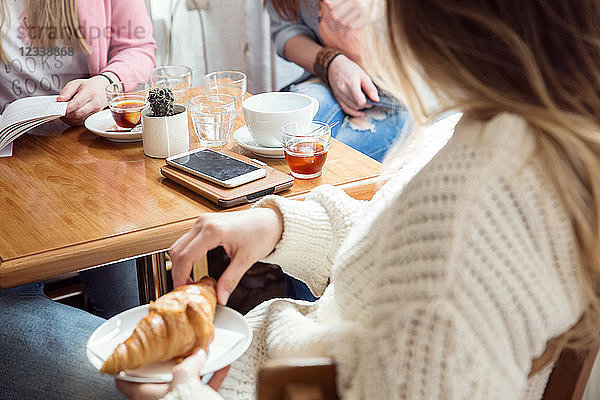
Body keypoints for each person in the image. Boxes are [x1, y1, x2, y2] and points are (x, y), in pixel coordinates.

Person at [120, 0, 600, 399]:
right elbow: (398, 242)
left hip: (254, 382)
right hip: (277, 357)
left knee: (54, 345)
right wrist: (281, 227)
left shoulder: (463, 225)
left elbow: (433, 259)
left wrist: (181, 392)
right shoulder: (504, 132)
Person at [0, 0, 155, 398]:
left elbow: (137, 48)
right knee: (136, 374)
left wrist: (107, 83)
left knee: (127, 317)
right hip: (9, 171)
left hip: (86, 161)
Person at [267, 0, 409, 301]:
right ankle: (301, 311)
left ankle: (316, 317)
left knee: (315, 185)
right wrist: (331, 62)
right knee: (291, 156)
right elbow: (286, 32)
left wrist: (377, 13)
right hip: (326, 80)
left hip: (406, 95)